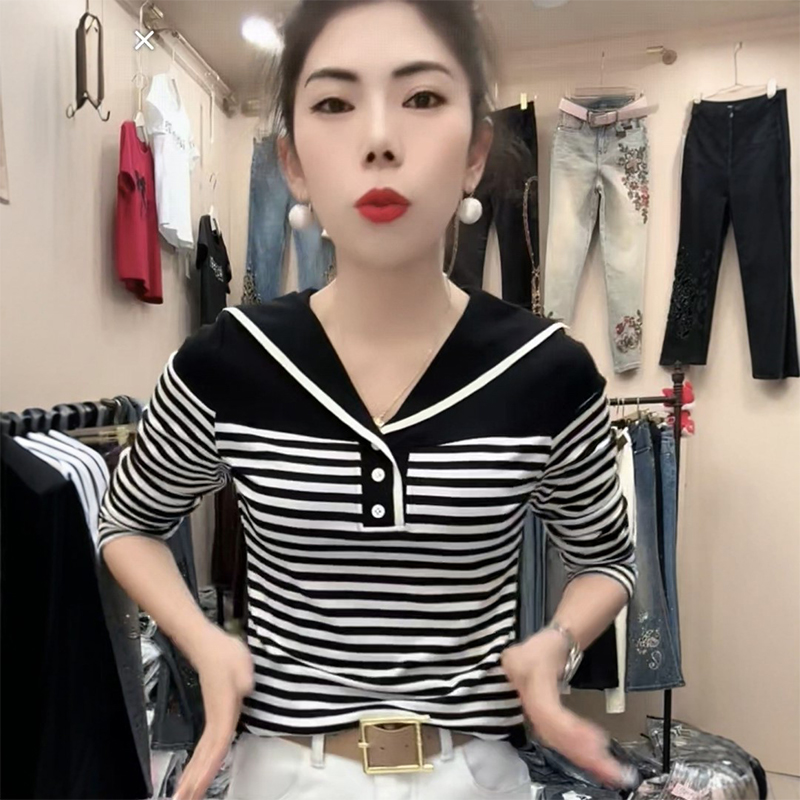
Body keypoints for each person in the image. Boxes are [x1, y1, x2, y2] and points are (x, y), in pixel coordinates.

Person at [99, 2, 639, 798]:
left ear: (475, 152)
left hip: (474, 773)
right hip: (284, 771)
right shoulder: (229, 360)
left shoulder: (547, 371)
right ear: (293, 163)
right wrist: (205, 645)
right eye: (334, 102)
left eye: (422, 98)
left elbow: (607, 558)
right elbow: (126, 523)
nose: (380, 139)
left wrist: (555, 643)